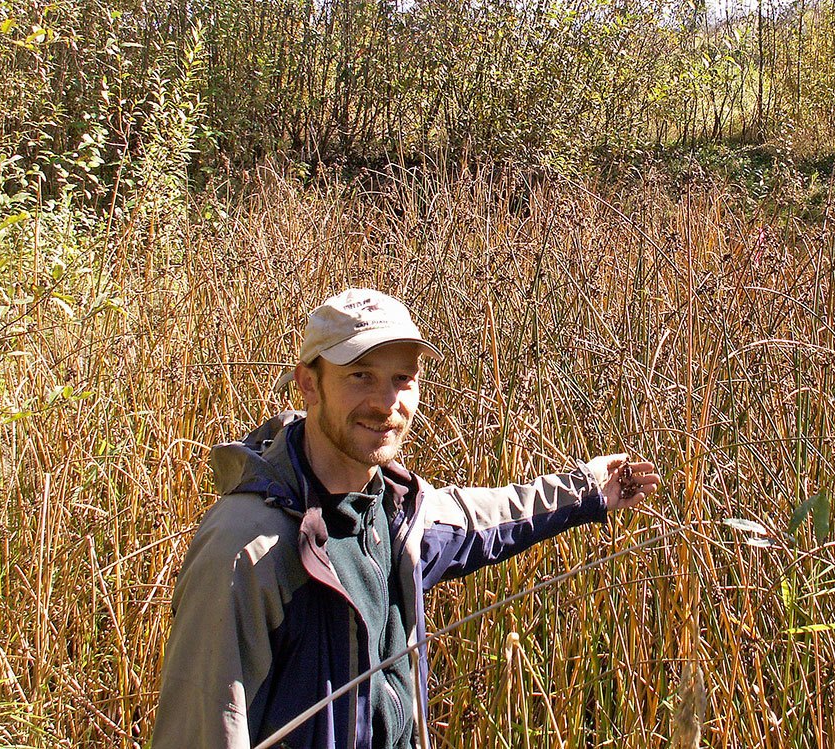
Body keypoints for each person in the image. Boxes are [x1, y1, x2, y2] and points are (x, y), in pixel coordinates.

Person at [152, 288, 659, 749]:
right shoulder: (247, 547)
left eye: (402, 380)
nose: (385, 403)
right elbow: (202, 727)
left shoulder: (396, 513)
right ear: (308, 384)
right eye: (360, 376)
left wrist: (591, 489)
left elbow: (489, 516)